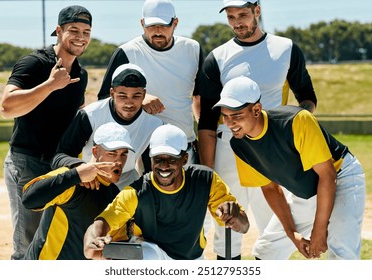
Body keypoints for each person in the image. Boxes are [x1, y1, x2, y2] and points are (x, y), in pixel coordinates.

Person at [197, 0, 317, 259]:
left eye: (243, 14)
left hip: (273, 146)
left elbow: (307, 98)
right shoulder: (216, 57)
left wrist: (292, 135)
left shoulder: (285, 49)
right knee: (227, 224)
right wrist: (208, 172)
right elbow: (206, 123)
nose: (237, 22)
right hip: (230, 144)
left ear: (257, 12)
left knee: (272, 223)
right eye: (231, 17)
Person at [213, 76, 366, 259]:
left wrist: (319, 229)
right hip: (307, 190)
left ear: (256, 110)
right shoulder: (240, 145)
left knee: (341, 252)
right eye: (225, 116)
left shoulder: (296, 120)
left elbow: (328, 175)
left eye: (236, 116)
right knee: (266, 251)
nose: (229, 124)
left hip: (342, 177)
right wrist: (293, 235)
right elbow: (270, 188)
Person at [0, 5, 92, 260]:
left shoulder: (81, 74)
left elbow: (77, 115)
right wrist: (50, 85)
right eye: (73, 30)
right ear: (59, 30)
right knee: (27, 242)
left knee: (53, 237)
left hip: (58, 165)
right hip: (28, 162)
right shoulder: (35, 63)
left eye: (86, 31)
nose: (80, 37)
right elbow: (7, 107)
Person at [83, 124, 250, 260]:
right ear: (151, 159)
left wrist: (235, 217)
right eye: (158, 159)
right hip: (150, 252)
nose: (163, 166)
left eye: (171, 159)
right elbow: (103, 222)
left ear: (184, 159)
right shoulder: (136, 192)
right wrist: (92, 241)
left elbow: (244, 226)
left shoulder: (206, 180)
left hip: (191, 257)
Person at [97, 0, 204, 165]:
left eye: (164, 25)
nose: (158, 31)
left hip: (186, 147)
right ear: (142, 23)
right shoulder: (126, 52)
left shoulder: (193, 49)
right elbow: (104, 99)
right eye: (151, 26)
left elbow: (200, 97)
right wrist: (138, 100)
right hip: (144, 150)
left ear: (175, 23)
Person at [22, 123, 134, 260]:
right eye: (112, 153)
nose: (119, 161)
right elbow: (29, 199)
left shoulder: (116, 196)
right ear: (95, 152)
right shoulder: (72, 179)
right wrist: (76, 175)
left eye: (124, 154)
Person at [51, 63, 164, 190]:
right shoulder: (90, 115)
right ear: (112, 93)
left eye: (136, 96)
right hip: (90, 180)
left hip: (127, 182)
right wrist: (80, 167)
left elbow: (151, 169)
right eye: (122, 96)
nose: (129, 102)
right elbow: (60, 156)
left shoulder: (155, 125)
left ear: (144, 95)